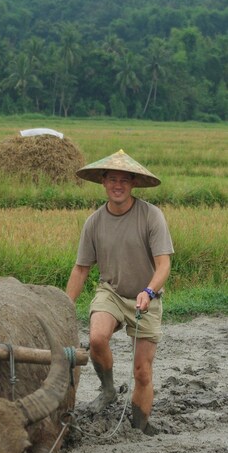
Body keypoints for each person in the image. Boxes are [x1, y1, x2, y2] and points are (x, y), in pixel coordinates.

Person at [66, 149, 174, 434]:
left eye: (124, 180)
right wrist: (64, 306)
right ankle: (108, 388)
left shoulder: (151, 216)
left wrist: (149, 291)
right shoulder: (94, 223)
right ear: (103, 182)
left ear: (133, 184)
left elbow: (164, 265)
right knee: (97, 337)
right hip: (111, 292)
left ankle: (139, 426)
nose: (118, 185)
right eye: (112, 179)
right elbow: (80, 270)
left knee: (142, 372)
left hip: (146, 296)